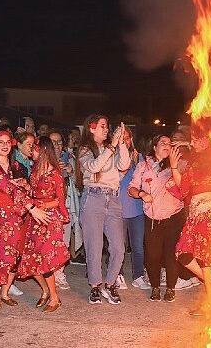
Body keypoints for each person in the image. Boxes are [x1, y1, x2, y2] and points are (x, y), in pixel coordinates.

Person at [0, 130, 45, 307]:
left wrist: (24, 185)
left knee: (9, 255)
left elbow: (20, 189)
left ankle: (3, 292)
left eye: (7, 142)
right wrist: (6, 188)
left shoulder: (16, 166)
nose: (4, 145)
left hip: (14, 216)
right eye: (0, 142)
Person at [169, 122, 211, 315]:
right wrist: (174, 167)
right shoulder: (192, 161)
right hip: (195, 215)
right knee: (183, 254)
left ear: (207, 140)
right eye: (191, 138)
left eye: (196, 138)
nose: (192, 142)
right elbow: (183, 189)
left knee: (205, 257)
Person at [78, 114, 130, 305]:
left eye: (108, 126)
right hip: (93, 197)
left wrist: (122, 142)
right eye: (102, 126)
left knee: (118, 247)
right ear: (91, 128)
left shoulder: (113, 148)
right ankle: (95, 286)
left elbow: (124, 164)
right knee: (94, 246)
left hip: (113, 199)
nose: (106, 129)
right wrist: (111, 147)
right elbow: (93, 166)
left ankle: (110, 283)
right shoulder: (85, 149)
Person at [128, 135, 186, 302]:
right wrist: (141, 193)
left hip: (174, 215)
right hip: (152, 217)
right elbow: (132, 188)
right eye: (163, 143)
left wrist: (175, 166)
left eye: (169, 143)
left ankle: (170, 288)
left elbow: (183, 186)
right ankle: (154, 287)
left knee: (171, 254)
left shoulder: (177, 165)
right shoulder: (143, 165)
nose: (167, 145)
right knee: (153, 254)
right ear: (154, 147)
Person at [18, 136, 71, 312]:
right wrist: (27, 189)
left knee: (45, 260)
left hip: (48, 220)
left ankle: (55, 298)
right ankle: (46, 290)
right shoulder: (34, 171)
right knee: (31, 260)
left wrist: (43, 204)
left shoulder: (55, 174)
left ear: (43, 151)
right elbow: (33, 193)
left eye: (34, 148)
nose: (31, 151)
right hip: (34, 218)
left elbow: (60, 200)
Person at [48, 130, 80, 289]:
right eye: (52, 141)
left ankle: (59, 272)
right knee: (49, 242)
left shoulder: (70, 160)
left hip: (66, 206)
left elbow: (80, 183)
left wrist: (71, 172)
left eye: (59, 141)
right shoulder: (42, 160)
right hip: (49, 209)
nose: (56, 145)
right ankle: (49, 273)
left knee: (64, 241)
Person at [118, 127, 148, 289]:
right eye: (122, 138)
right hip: (118, 208)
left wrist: (137, 163)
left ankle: (138, 275)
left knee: (137, 245)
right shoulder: (113, 157)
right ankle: (118, 274)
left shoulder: (139, 158)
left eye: (127, 138)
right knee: (119, 246)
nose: (125, 141)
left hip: (136, 208)